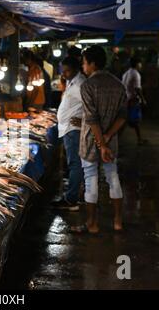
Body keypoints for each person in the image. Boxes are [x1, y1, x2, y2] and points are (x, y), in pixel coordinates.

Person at [71, 45, 127, 234]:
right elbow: (122, 116)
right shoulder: (118, 84)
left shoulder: (88, 85)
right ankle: (118, 222)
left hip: (90, 141)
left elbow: (93, 118)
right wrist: (108, 137)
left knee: (90, 180)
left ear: (93, 64)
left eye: (84, 63)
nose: (83, 67)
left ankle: (92, 224)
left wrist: (101, 144)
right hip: (110, 141)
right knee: (113, 177)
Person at [52, 56, 86, 211]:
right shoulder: (72, 82)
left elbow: (91, 106)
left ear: (75, 69)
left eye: (67, 71)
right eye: (62, 70)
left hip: (73, 131)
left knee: (75, 164)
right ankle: (73, 195)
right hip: (67, 129)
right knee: (73, 164)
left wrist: (84, 121)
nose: (64, 73)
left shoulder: (80, 84)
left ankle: (71, 199)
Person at [122, 57, 148, 145]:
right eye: (140, 63)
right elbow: (137, 88)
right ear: (137, 64)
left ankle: (139, 139)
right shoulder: (136, 74)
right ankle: (139, 139)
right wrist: (143, 99)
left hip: (125, 99)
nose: (141, 65)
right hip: (132, 99)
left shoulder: (126, 73)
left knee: (129, 120)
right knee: (133, 120)